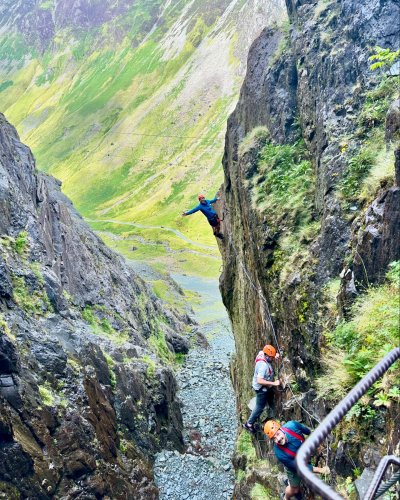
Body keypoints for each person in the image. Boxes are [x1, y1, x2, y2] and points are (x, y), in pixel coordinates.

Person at [264, 420, 330, 500]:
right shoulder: (279, 453)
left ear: (281, 429)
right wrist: (321, 470)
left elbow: (308, 431)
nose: (278, 439)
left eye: (277, 434)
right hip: (293, 468)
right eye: (274, 438)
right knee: (295, 490)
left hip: (304, 457)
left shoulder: (293, 426)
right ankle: (285, 497)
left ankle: (288, 482)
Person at [242, 344, 281, 433]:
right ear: (266, 356)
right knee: (260, 406)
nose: (272, 359)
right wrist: (274, 383)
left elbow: (268, 354)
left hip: (259, 385)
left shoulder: (262, 354)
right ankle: (249, 424)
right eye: (271, 357)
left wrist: (275, 356)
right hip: (261, 388)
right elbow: (259, 380)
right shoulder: (263, 366)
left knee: (266, 399)